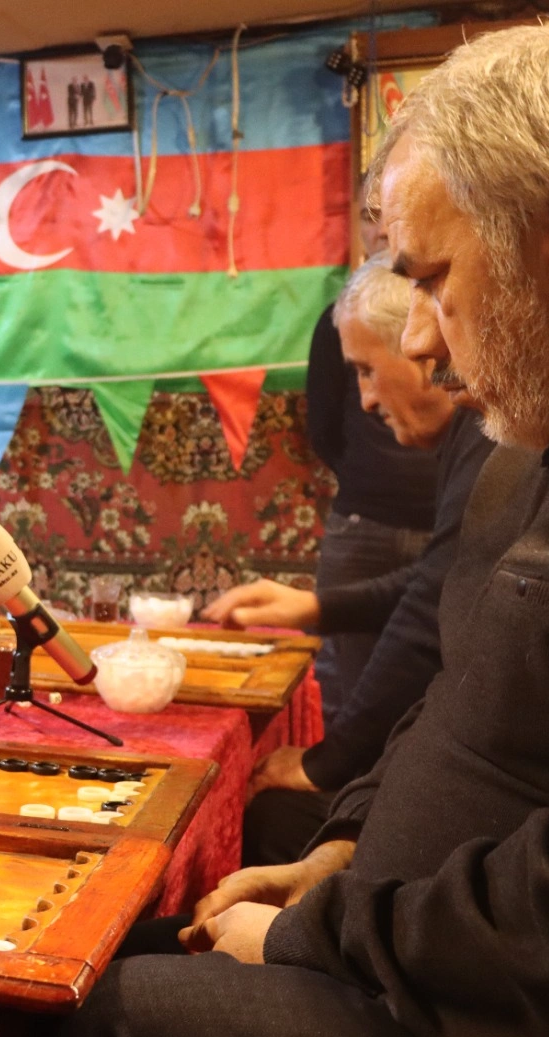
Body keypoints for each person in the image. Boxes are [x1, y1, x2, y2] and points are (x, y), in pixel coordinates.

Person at [40, 24, 549, 1037]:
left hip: (502, 1023)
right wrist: (341, 852)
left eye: (432, 279)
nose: (421, 340)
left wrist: (319, 935)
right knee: (101, 949)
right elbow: (459, 695)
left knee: (103, 1015)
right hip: (414, 944)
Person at [205, 253, 492, 866]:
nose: (363, 399)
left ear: (422, 341)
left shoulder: (491, 438)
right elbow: (437, 583)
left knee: (280, 814)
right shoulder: (473, 436)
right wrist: (314, 607)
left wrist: (326, 763)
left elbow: (426, 620)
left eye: (366, 370)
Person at [303, 214, 440, 732]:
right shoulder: (343, 317)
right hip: (363, 518)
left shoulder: (487, 452)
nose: (366, 399)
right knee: (345, 691)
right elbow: (322, 426)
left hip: (431, 519)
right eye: (369, 217)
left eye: (369, 371)